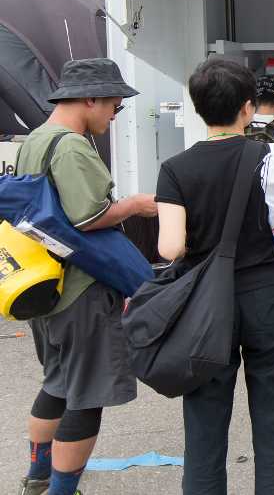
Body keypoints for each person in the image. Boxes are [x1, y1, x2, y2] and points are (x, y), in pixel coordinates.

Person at [156, 58, 274, 495]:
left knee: (204, 418)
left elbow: (170, 248)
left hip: (206, 303)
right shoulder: (273, 160)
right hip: (266, 294)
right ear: (247, 108)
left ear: (199, 107)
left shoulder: (176, 168)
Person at [16, 58, 158, 495]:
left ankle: (37, 480)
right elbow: (89, 217)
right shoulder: (73, 145)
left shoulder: (34, 140)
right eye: (114, 106)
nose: (115, 115)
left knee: (57, 384)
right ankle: (62, 490)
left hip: (43, 284)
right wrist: (136, 205)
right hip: (83, 288)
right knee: (87, 396)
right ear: (91, 98)